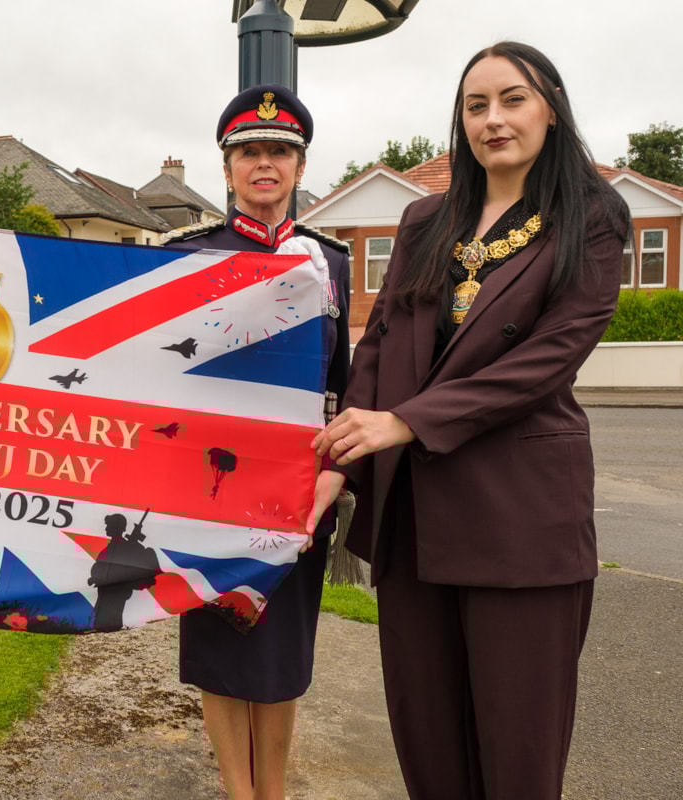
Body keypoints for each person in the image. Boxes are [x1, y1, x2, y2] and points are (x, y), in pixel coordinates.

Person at [308, 42, 629, 799]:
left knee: (516, 756)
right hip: (413, 524)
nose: (493, 119)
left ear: (550, 106)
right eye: (475, 104)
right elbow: (380, 346)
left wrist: (409, 422)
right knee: (429, 746)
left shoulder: (591, 217)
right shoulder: (425, 220)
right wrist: (339, 463)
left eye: (512, 99)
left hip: (519, 523)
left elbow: (546, 359)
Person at [164, 84, 351, 800]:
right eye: (250, 153)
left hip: (297, 492)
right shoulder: (189, 256)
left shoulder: (328, 264)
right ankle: (237, 792)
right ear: (228, 169)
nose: (264, 165)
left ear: (299, 169)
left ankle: (271, 791)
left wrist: (337, 473)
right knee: (219, 652)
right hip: (210, 489)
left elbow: (345, 378)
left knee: (280, 655)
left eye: (279, 152)